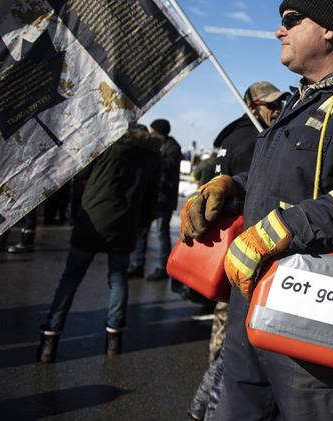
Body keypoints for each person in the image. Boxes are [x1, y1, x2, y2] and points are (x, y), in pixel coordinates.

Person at [179, 0, 333, 420]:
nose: (279, 31)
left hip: (312, 312)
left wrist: (278, 230)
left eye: (291, 20)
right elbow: (281, 182)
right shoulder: (300, 104)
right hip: (250, 307)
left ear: (329, 29)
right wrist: (231, 187)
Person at [188, 80, 288, 421]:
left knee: (227, 343)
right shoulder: (253, 139)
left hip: (225, 252)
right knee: (233, 351)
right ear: (252, 105)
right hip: (241, 254)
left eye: (279, 104)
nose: (276, 110)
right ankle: (211, 406)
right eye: (269, 104)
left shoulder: (228, 139)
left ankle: (204, 405)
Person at [36, 124, 160, 363]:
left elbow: (81, 175)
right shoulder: (152, 155)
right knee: (117, 279)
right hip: (126, 222)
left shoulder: (108, 145)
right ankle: (114, 338)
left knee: (70, 278)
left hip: (94, 217)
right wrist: (142, 224)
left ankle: (50, 338)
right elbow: (150, 197)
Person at [129, 118, 182, 280]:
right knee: (141, 232)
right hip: (151, 197)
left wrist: (152, 154)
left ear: (159, 133)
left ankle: (163, 268)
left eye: (152, 132)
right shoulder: (158, 146)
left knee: (161, 233)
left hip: (163, 200)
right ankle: (138, 265)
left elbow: (167, 167)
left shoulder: (173, 148)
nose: (150, 134)